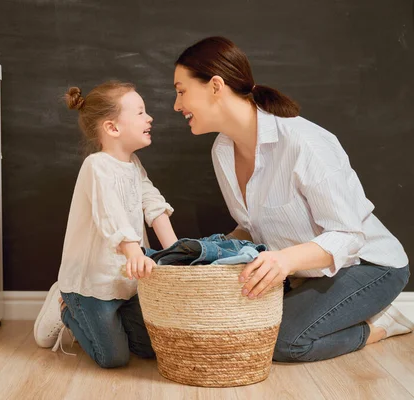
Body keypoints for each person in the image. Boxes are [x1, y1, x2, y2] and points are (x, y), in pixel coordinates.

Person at [172, 36, 412, 362]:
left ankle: (381, 326)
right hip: (305, 273)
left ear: (216, 85)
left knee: (283, 342)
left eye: (181, 91)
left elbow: (349, 235)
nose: (176, 105)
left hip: (370, 264)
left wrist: (285, 261)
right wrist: (212, 257)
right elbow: (250, 227)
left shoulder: (304, 143)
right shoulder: (222, 151)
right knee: (235, 329)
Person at [33, 81, 178, 368]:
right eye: (140, 113)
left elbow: (153, 204)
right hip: (92, 283)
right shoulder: (96, 166)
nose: (149, 118)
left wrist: (176, 250)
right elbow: (111, 214)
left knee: (150, 349)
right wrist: (134, 251)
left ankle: (112, 321)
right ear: (112, 128)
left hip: (127, 281)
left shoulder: (133, 164)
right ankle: (64, 305)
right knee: (113, 358)